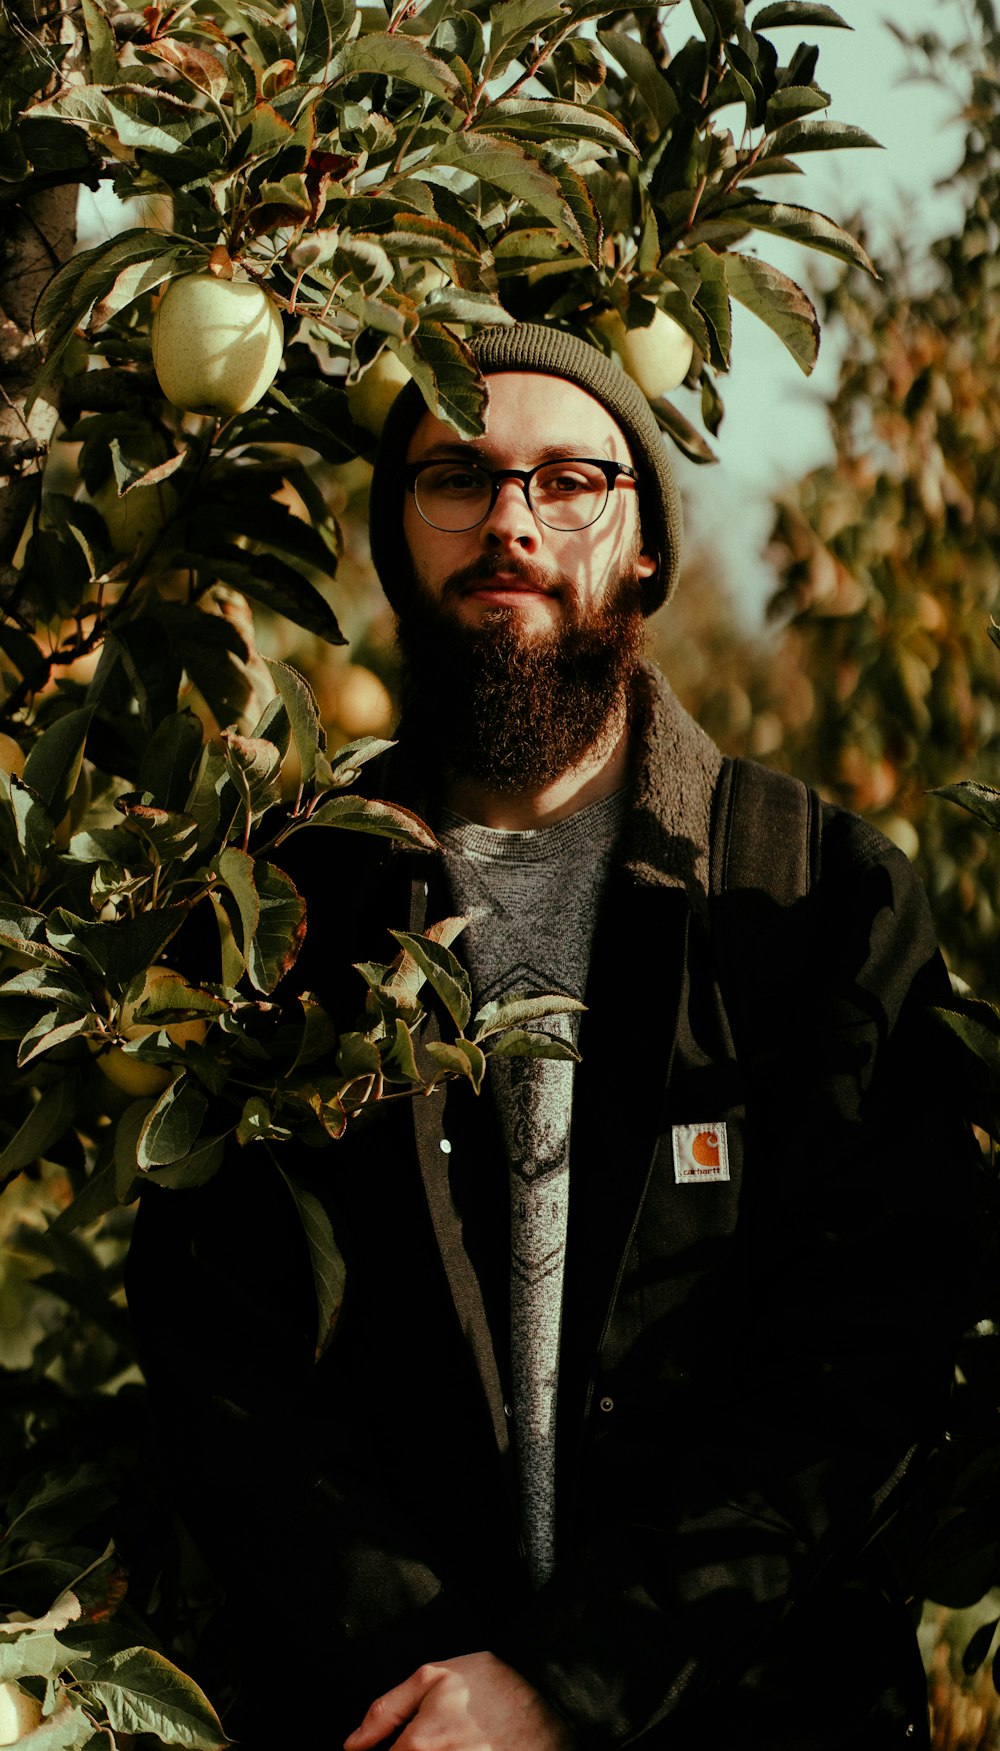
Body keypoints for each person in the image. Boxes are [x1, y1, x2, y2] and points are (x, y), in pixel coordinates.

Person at [127, 324, 975, 1750]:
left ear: (642, 544)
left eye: (570, 480)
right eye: (457, 475)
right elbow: (221, 1358)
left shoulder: (816, 897)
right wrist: (430, 1687)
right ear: (399, 541)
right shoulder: (287, 906)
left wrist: (569, 1690)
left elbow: (873, 1358)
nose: (511, 520)